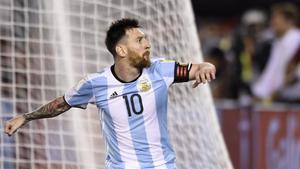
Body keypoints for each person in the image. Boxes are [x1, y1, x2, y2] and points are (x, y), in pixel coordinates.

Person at [4, 18, 216, 169]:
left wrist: (206, 67)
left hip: (163, 165)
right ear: (121, 50)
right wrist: (26, 117)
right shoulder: (96, 83)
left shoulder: (160, 69)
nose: (148, 44)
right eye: (139, 40)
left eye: (146, 39)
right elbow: (61, 104)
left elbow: (194, 68)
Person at [252, 2, 300, 102]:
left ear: (289, 20)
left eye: (276, 18)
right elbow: (272, 71)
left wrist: (276, 91)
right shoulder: (279, 42)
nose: (272, 23)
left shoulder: (296, 39)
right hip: (282, 97)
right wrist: (259, 92)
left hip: (295, 98)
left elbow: (295, 74)